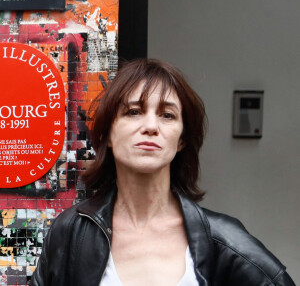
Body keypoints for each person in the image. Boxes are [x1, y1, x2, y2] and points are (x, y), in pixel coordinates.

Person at [30, 59, 295, 286]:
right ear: (107, 134)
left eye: (167, 115)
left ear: (181, 140)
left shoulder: (222, 238)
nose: (151, 126)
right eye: (134, 112)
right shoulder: (71, 233)